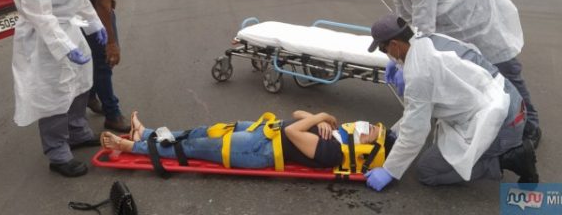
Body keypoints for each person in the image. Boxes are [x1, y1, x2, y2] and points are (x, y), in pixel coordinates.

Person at [353, 0, 541, 148]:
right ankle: (493, 123)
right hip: (453, 21)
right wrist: (396, 59)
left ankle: (531, 126)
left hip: (478, 15)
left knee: (506, 69)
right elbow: (403, 18)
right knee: (475, 73)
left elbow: (424, 29)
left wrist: (405, 63)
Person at [363, 14, 538, 191]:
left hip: (501, 121)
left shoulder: (419, 73)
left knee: (427, 171)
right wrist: (393, 134)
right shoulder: (428, 38)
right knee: (439, 139)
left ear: (395, 45)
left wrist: (390, 170)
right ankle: (502, 149)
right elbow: (421, 108)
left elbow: (416, 130)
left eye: (383, 50)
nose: (387, 55)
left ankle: (510, 158)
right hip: (507, 95)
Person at [8, 0, 108, 178]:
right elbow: (37, 10)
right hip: (44, 35)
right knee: (53, 92)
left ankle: (76, 132)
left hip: (69, 25)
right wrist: (62, 45)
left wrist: (94, 23)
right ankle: (57, 152)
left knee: (80, 81)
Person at [101, 109, 395, 172]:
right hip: (263, 131)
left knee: (192, 147)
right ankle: (148, 132)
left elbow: (294, 132)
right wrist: (322, 119)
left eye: (371, 131)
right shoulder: (339, 133)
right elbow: (295, 116)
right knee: (201, 131)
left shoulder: (333, 151)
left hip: (259, 150)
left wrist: (319, 117)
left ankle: (131, 146)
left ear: (366, 149)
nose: (365, 124)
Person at [81, 0, 151, 133]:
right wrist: (111, 42)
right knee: (106, 59)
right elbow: (102, 6)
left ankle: (91, 96)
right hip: (89, 10)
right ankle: (112, 114)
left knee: (98, 59)